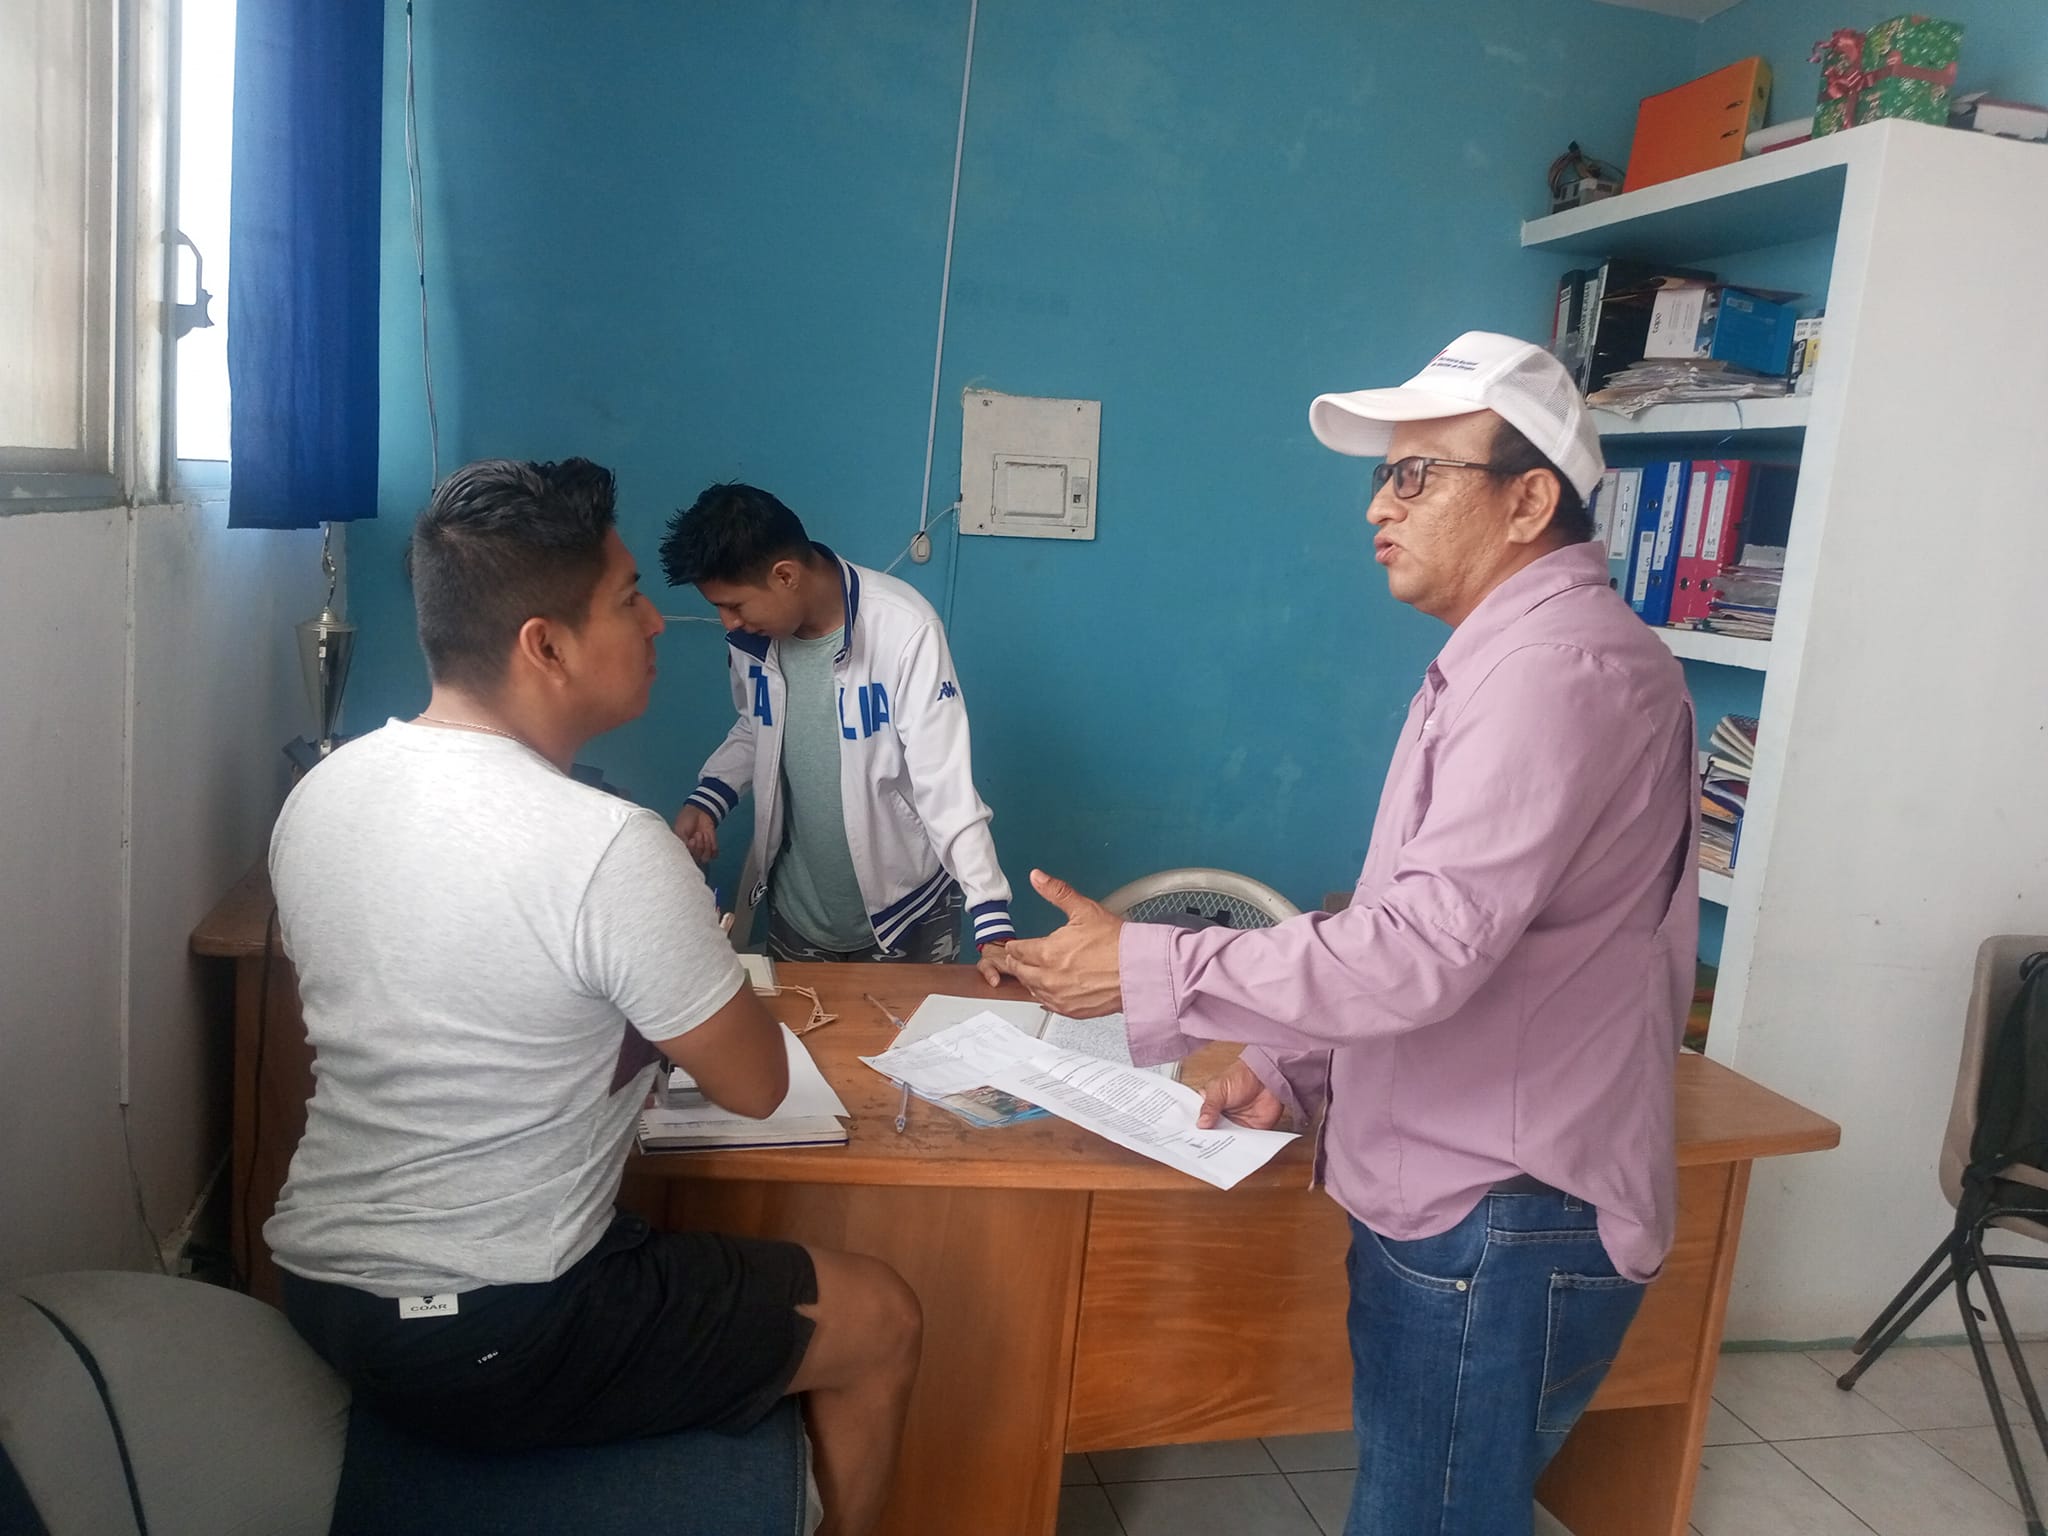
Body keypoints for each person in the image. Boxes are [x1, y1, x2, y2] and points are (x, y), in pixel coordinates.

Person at [991, 333, 1697, 1536]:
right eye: (1381, 476)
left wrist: (1144, 963)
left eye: (1415, 475)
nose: (1378, 504)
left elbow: (1420, 953)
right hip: (1472, 1200)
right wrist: (1292, 1064)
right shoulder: (1507, 659)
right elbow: (1421, 922)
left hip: (1497, 1214)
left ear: (1528, 501)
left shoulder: (1552, 674)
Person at [265, 458, 920, 1536]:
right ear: (546, 645)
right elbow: (756, 1085)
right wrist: (677, 970)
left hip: (319, 1288)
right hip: (496, 1325)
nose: (658, 624)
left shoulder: (322, 793)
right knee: (880, 1315)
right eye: (627, 600)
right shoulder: (609, 844)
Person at [662, 483, 1014, 977]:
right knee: (805, 1027)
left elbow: (943, 781)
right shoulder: (752, 643)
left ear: (785, 575)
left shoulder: (905, 628)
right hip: (799, 914)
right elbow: (757, 725)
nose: (728, 623)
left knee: (912, 1029)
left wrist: (991, 919)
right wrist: (709, 798)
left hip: (906, 911)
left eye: (735, 605)